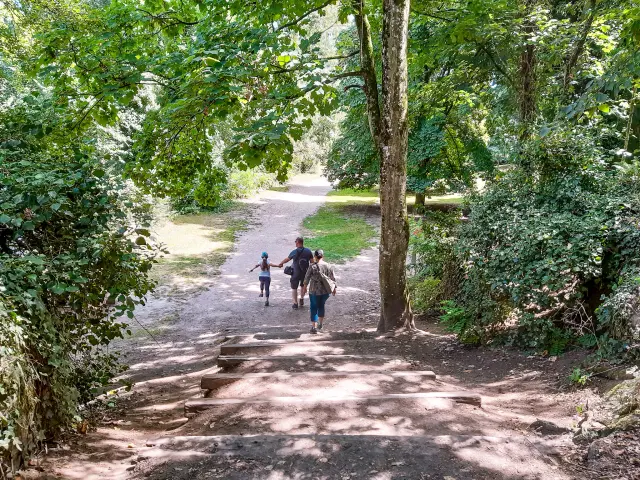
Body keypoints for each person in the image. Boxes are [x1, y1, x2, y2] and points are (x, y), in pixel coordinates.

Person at [301, 249, 336, 334]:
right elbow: (333, 278)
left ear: (315, 257)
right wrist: (334, 289)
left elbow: (307, 278)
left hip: (314, 291)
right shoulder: (328, 266)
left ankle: (314, 327)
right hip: (325, 291)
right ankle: (320, 323)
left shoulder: (312, 266)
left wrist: (304, 288)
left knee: (313, 307)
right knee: (321, 305)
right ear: (322, 256)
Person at [278, 237, 313, 309]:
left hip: (295, 273)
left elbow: (287, 259)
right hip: (305, 272)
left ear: (297, 242)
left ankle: (295, 303)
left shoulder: (294, 252)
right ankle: (302, 299)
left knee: (294, 288)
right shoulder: (308, 251)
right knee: (303, 286)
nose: (295, 243)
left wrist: (281, 263)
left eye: (295, 242)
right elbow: (312, 262)